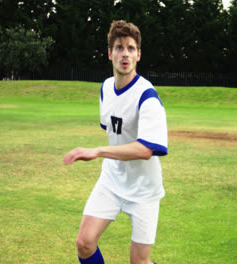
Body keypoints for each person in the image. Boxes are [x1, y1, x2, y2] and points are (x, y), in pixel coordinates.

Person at [63, 20, 168, 264]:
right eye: (119, 47)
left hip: (144, 189)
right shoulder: (106, 88)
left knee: (139, 262)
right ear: (109, 53)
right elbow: (113, 130)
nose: (125, 54)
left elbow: (145, 150)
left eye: (131, 48)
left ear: (139, 55)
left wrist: (98, 151)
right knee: (84, 243)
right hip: (112, 180)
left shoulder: (147, 97)